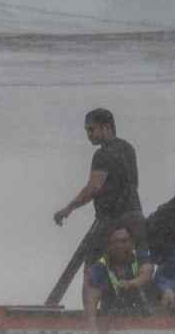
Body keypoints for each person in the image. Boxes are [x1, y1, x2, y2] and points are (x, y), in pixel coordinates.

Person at [52, 108, 143, 308]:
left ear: (106, 127)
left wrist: (68, 208)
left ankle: (89, 316)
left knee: (90, 268)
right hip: (135, 216)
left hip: (110, 219)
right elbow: (133, 184)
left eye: (91, 130)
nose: (89, 135)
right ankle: (131, 308)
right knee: (132, 264)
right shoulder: (129, 148)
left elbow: (93, 187)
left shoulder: (103, 154)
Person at [83, 224, 156, 334]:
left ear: (132, 243)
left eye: (124, 241)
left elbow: (147, 273)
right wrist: (94, 333)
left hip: (144, 317)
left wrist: (131, 283)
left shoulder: (141, 257)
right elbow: (91, 303)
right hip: (112, 319)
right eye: (115, 242)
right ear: (108, 246)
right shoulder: (99, 268)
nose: (120, 246)